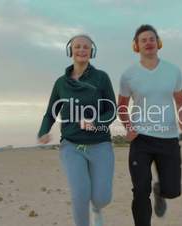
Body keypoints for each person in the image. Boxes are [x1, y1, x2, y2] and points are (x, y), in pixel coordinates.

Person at [38, 34, 116, 226]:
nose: (81, 50)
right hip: (71, 146)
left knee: (102, 197)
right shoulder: (61, 83)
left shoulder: (101, 78)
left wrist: (96, 122)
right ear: (70, 50)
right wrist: (43, 132)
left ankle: (97, 208)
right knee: (80, 194)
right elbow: (50, 113)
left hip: (100, 144)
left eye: (86, 47)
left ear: (92, 51)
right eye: (77, 46)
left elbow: (112, 110)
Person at [118, 24, 182, 226]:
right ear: (136, 46)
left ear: (158, 43)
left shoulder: (173, 71)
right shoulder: (129, 75)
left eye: (151, 39)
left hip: (168, 138)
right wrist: (128, 127)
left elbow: (181, 99)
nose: (148, 43)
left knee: (173, 190)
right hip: (141, 139)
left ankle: (161, 192)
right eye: (143, 40)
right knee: (140, 190)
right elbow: (122, 106)